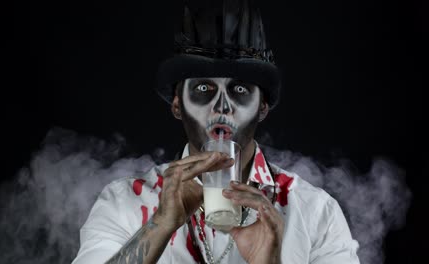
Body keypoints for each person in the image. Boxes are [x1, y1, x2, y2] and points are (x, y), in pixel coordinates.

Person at [72, 1, 360, 263]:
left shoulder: (316, 212)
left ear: (262, 107)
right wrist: (160, 224)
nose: (222, 106)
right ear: (177, 104)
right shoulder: (125, 201)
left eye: (239, 89)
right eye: (202, 89)